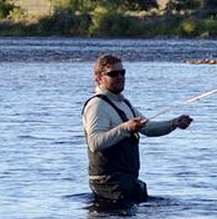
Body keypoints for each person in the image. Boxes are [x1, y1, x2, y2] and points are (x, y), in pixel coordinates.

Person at [82, 53, 192, 203]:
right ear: (99, 79)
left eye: (122, 72)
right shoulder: (97, 106)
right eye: (113, 74)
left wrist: (174, 123)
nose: (120, 77)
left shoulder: (124, 103)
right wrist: (126, 127)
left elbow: (148, 128)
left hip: (126, 180)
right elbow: (94, 143)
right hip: (108, 183)